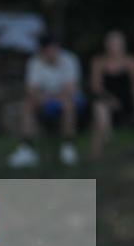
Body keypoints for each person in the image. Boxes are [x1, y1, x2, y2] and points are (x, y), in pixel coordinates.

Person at [7, 35, 84, 168]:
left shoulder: (69, 59)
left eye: (54, 49)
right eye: (49, 50)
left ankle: (68, 147)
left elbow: (71, 89)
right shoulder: (35, 62)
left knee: (68, 104)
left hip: (67, 99)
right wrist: (44, 97)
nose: (52, 53)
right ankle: (27, 149)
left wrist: (50, 96)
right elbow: (31, 90)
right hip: (45, 99)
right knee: (27, 105)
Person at [89, 30, 134, 160]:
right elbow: (96, 87)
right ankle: (100, 148)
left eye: (117, 43)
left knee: (99, 113)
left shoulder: (132, 62)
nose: (114, 46)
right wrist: (110, 99)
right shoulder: (98, 62)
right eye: (112, 43)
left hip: (126, 102)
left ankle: (101, 147)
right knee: (100, 108)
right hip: (105, 99)